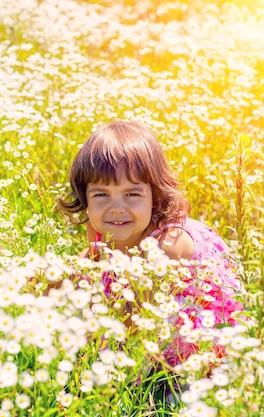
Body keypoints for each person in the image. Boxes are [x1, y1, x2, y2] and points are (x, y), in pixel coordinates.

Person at [57, 120, 243, 369]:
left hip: (197, 338)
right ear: (85, 198)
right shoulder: (99, 228)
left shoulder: (167, 248)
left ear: (155, 194)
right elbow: (87, 264)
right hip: (143, 307)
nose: (116, 208)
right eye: (101, 194)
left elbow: (138, 329)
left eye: (132, 194)